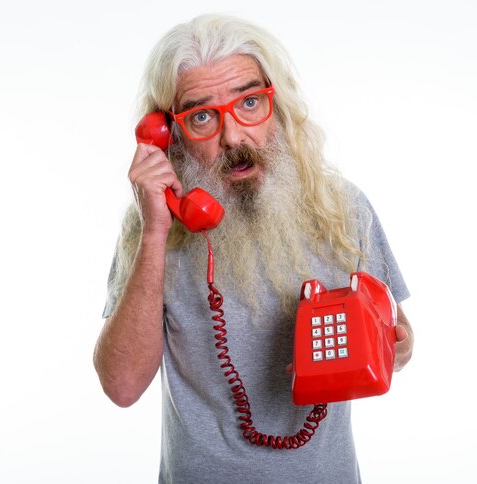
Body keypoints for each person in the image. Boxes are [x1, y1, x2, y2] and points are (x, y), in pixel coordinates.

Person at [94, 14, 414, 483]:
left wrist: (393, 347)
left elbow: (400, 337)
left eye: (249, 103)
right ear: (168, 134)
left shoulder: (344, 207)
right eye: (202, 116)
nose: (233, 136)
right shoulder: (150, 228)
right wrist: (155, 235)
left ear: (277, 104)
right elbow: (121, 387)